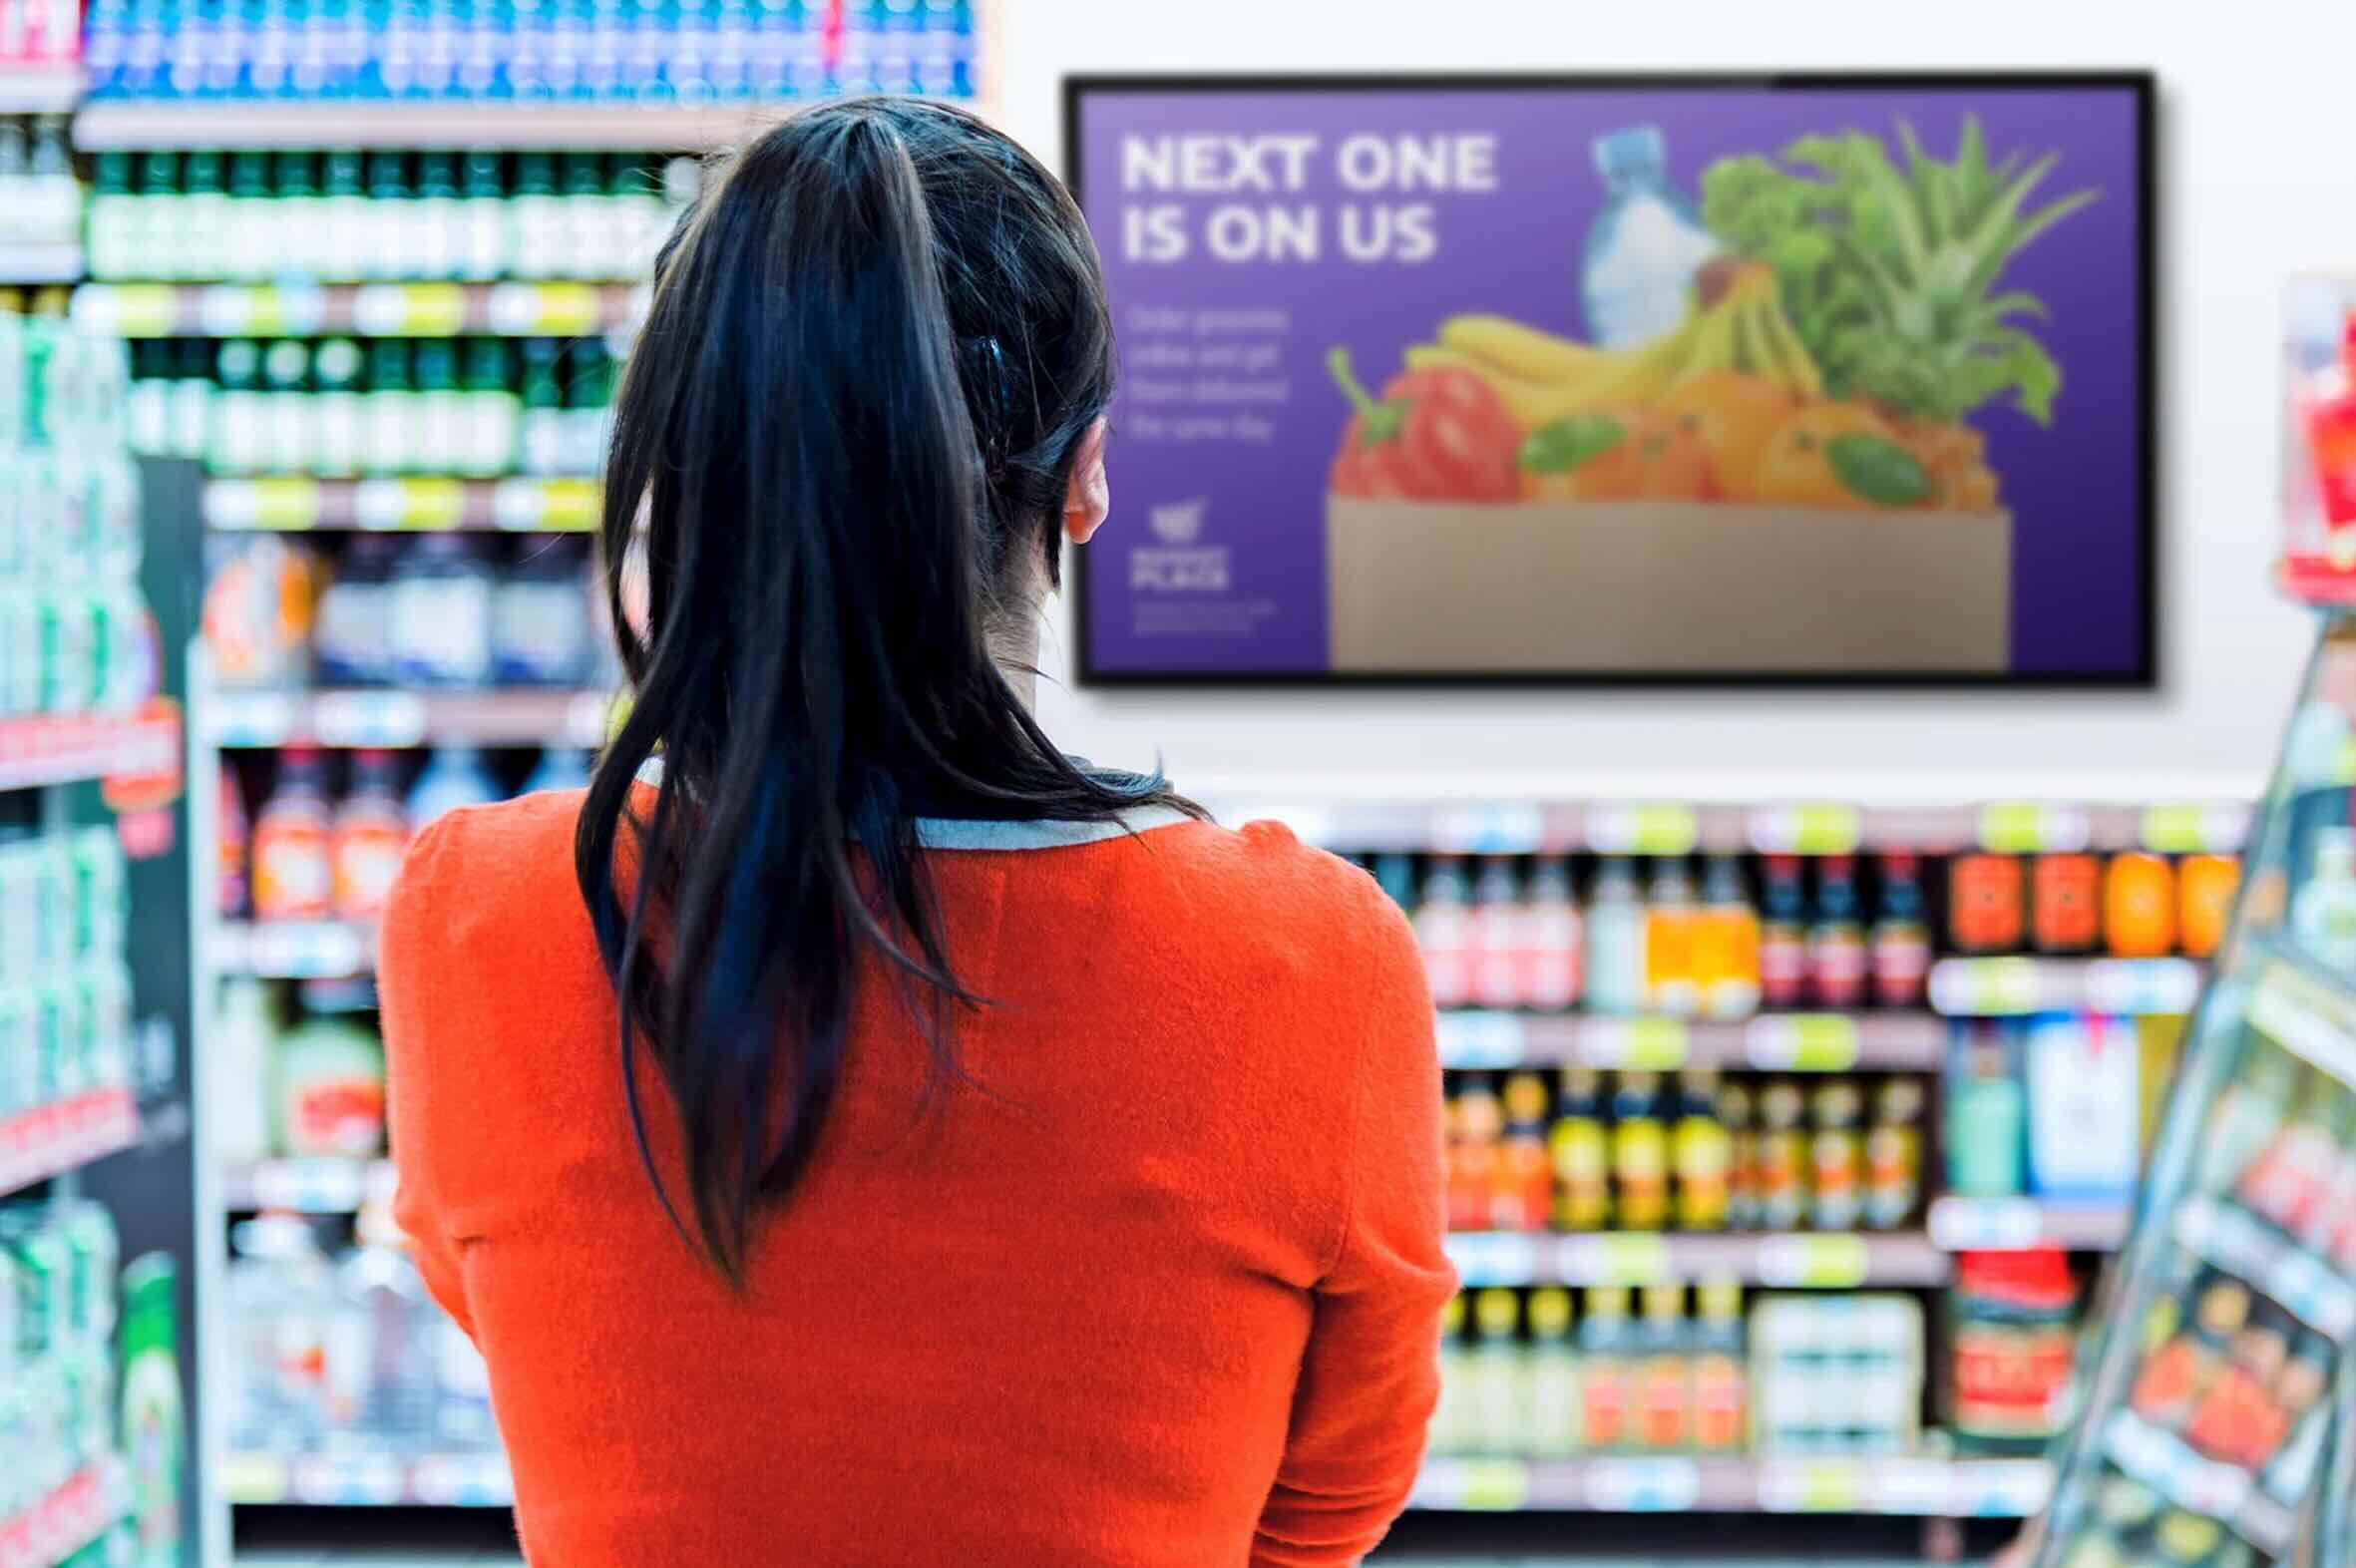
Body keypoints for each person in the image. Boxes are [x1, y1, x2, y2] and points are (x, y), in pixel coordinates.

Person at [380, 97, 1453, 1566]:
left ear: (690, 483)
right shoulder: (1310, 961)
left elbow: (509, 1308)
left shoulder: (479, 918)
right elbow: (1329, 1494)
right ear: (1083, 480)